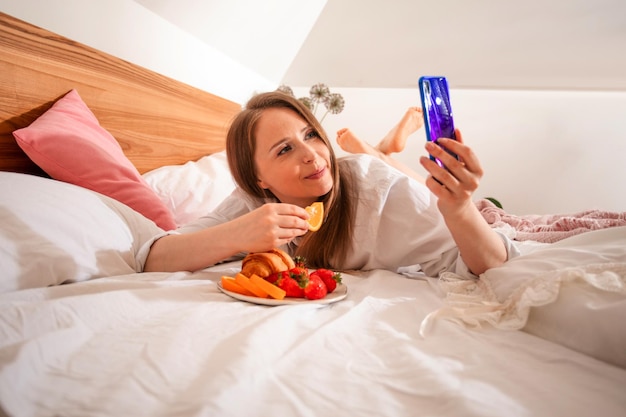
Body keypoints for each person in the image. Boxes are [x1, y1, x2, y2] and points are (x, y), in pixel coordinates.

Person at [143, 91, 517, 278]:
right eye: (285, 149)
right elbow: (153, 257)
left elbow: (490, 265)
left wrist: (460, 209)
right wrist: (238, 234)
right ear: (259, 180)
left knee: (388, 165)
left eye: (311, 134)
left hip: (443, 207)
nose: (312, 155)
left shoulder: (378, 190)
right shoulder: (253, 203)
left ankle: (386, 148)